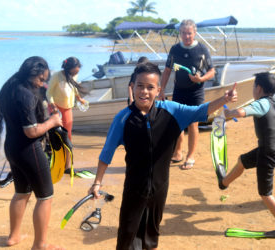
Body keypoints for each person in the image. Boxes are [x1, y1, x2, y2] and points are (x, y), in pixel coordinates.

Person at [89, 62, 237, 250]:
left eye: (150, 87)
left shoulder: (171, 111)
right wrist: (97, 183)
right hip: (134, 188)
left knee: (151, 237)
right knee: (127, 236)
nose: (144, 91)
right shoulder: (123, 118)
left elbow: (200, 111)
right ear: (132, 87)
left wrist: (224, 99)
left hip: (160, 187)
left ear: (159, 89)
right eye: (140, 86)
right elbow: (106, 153)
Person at [0, 56, 64, 249]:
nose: (42, 83)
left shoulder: (10, 88)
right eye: (41, 80)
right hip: (29, 150)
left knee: (22, 192)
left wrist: (44, 104)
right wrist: (52, 122)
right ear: (32, 74)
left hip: (12, 148)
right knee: (45, 196)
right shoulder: (25, 94)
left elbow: (27, 111)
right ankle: (40, 244)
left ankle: (13, 237)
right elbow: (31, 131)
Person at [222, 72, 275, 238]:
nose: (253, 89)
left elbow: (241, 112)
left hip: (267, 153)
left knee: (265, 194)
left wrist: (229, 114)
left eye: (254, 86)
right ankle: (224, 182)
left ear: (259, 88)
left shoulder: (261, 103)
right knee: (243, 160)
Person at [159, 19, 215, 170]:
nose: (186, 36)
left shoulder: (202, 49)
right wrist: (162, 89)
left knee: (192, 123)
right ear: (180, 33)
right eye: (183, 33)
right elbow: (167, 70)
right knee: (177, 123)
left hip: (196, 92)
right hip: (179, 90)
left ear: (194, 33)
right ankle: (178, 153)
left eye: (189, 33)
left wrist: (201, 78)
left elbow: (212, 70)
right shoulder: (175, 49)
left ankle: (190, 156)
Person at [46, 57, 88, 174]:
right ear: (68, 69)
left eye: (77, 72)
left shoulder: (74, 75)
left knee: (68, 137)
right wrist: (53, 105)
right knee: (55, 137)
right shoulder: (56, 76)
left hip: (67, 108)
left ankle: (67, 166)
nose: (76, 74)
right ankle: (52, 161)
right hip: (56, 109)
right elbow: (48, 92)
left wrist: (79, 98)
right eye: (74, 72)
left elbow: (74, 87)